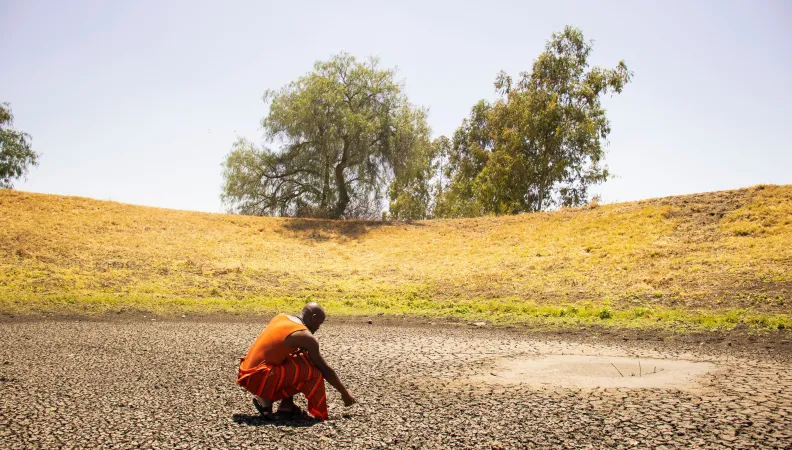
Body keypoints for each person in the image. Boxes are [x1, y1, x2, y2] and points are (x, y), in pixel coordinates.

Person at [236, 302, 355, 420]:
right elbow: (324, 369)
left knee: (298, 358)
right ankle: (265, 399)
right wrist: (344, 393)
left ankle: (286, 406)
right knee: (313, 372)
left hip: (246, 372)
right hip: (257, 377)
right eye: (319, 323)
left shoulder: (281, 317)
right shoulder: (306, 337)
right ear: (314, 318)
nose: (319, 327)